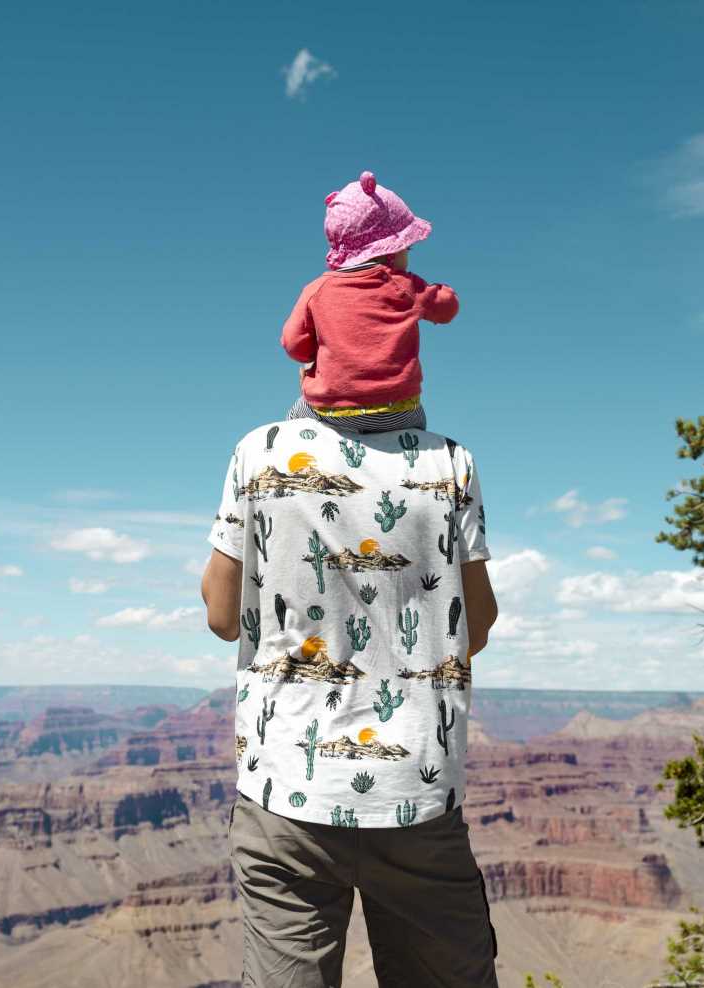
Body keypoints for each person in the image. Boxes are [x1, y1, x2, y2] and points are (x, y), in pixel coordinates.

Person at [200, 411, 500, 987]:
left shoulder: (260, 451)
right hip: (416, 791)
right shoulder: (448, 461)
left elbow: (221, 615)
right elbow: (477, 624)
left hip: (286, 793)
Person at [281, 170, 459, 434]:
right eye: (406, 248)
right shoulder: (404, 285)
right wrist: (436, 289)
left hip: (329, 411)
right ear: (388, 252)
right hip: (399, 412)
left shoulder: (316, 290)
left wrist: (316, 356)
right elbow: (448, 308)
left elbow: (293, 345)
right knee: (419, 423)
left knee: (295, 416)